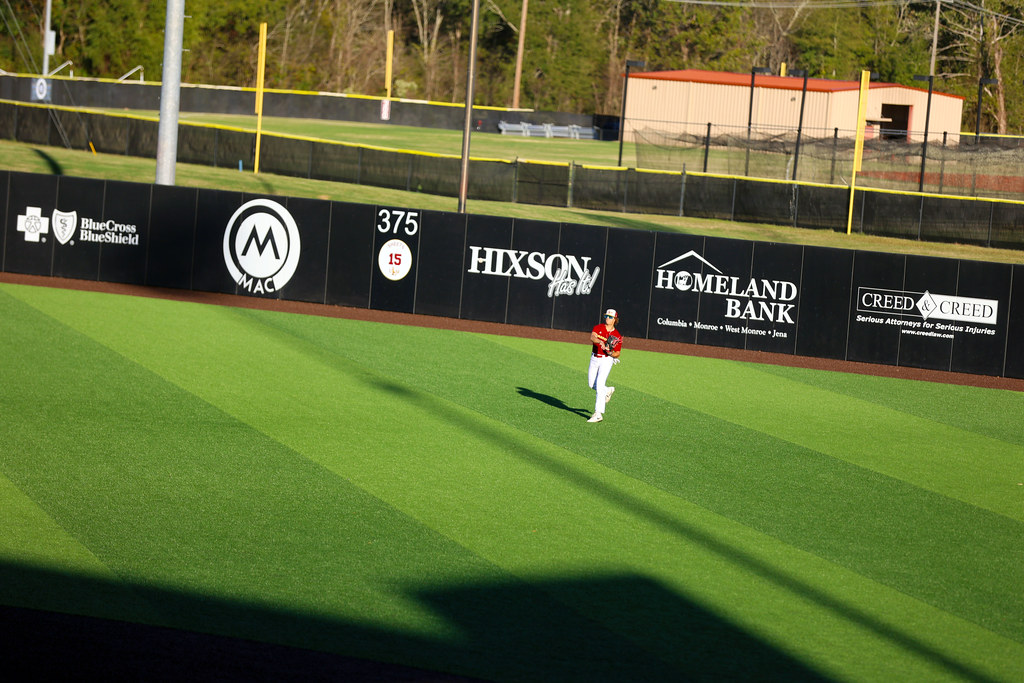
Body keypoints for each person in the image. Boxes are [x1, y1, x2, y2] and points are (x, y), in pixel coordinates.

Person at [587, 308, 622, 423]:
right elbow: (592, 337)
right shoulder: (599, 327)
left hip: (606, 360)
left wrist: (610, 352)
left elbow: (617, 353)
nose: (608, 318)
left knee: (600, 385)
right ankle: (607, 390)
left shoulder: (617, 335)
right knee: (591, 384)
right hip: (594, 357)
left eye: (610, 317)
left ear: (615, 319)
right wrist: (600, 341)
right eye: (606, 316)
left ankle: (598, 413)